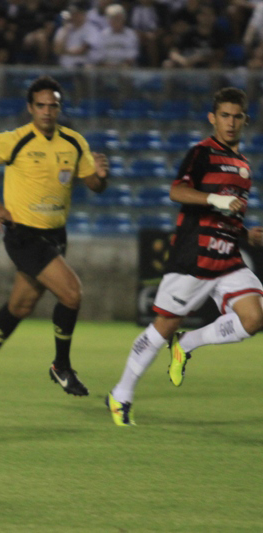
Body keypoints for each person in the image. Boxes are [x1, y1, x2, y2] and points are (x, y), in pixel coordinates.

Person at [107, 87, 263, 426]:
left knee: (254, 318)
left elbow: (230, 216)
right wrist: (216, 200)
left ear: (245, 120)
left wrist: (245, 232)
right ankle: (120, 394)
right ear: (213, 118)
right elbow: (177, 191)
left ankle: (189, 342)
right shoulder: (202, 153)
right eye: (224, 115)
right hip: (193, 258)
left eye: (237, 116)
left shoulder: (244, 166)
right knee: (163, 326)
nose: (231, 122)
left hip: (228, 258)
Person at [0, 76, 109, 399]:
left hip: (56, 234)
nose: (46, 111)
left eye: (52, 105)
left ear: (59, 108)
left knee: (22, 303)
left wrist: (101, 176)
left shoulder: (74, 143)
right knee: (72, 293)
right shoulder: (12, 140)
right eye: (40, 105)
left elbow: (94, 186)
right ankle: (61, 366)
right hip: (23, 234)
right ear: (30, 108)